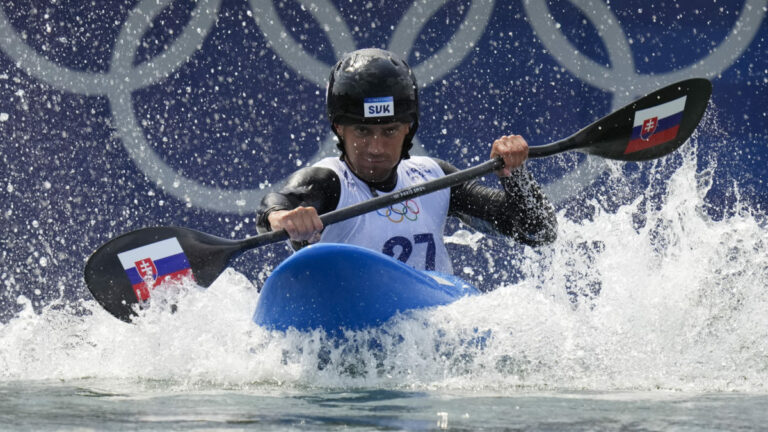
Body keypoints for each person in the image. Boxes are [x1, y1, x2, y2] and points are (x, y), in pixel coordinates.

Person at [256, 48, 556, 274]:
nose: (376, 147)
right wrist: (282, 218)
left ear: (408, 129)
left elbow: (538, 232)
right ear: (339, 129)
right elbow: (280, 200)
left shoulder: (434, 178)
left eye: (389, 131)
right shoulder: (328, 181)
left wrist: (516, 177)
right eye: (362, 131)